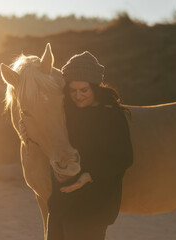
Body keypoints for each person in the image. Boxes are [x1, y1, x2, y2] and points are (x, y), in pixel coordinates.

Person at [46, 51, 134, 240]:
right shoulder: (66, 113)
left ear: (95, 87)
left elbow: (124, 158)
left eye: (84, 90)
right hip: (61, 204)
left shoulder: (110, 115)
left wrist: (89, 175)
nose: (78, 96)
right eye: (73, 90)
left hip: (92, 206)